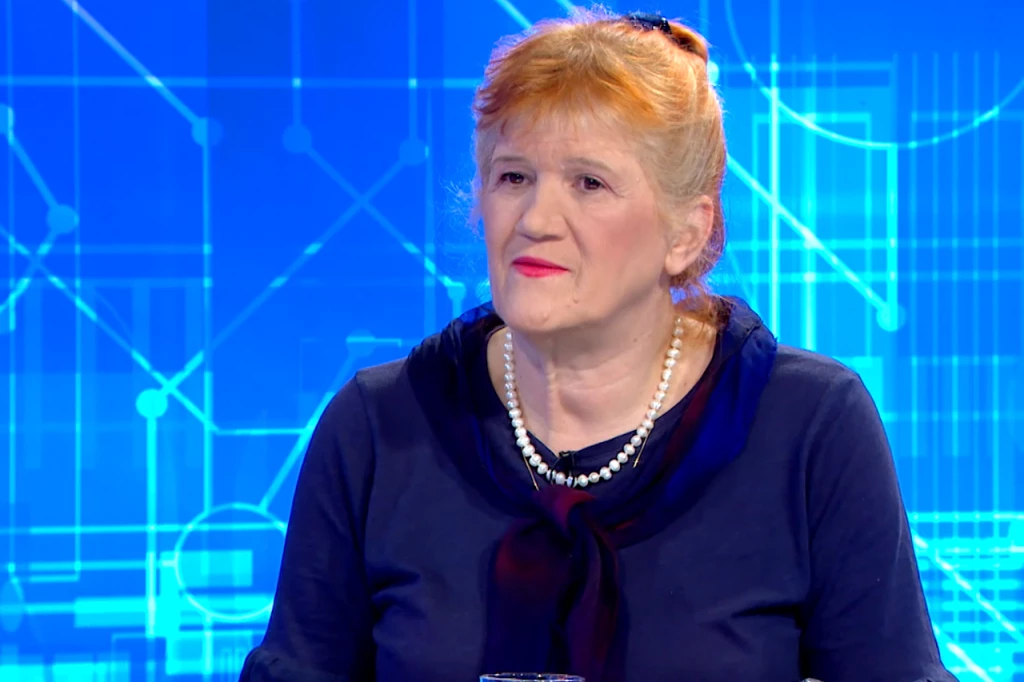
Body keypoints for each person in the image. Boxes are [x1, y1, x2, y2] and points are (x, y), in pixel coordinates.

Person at [239, 8, 957, 682]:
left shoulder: (808, 425)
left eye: (589, 182)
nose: (536, 218)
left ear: (687, 233)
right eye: (514, 176)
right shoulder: (377, 428)